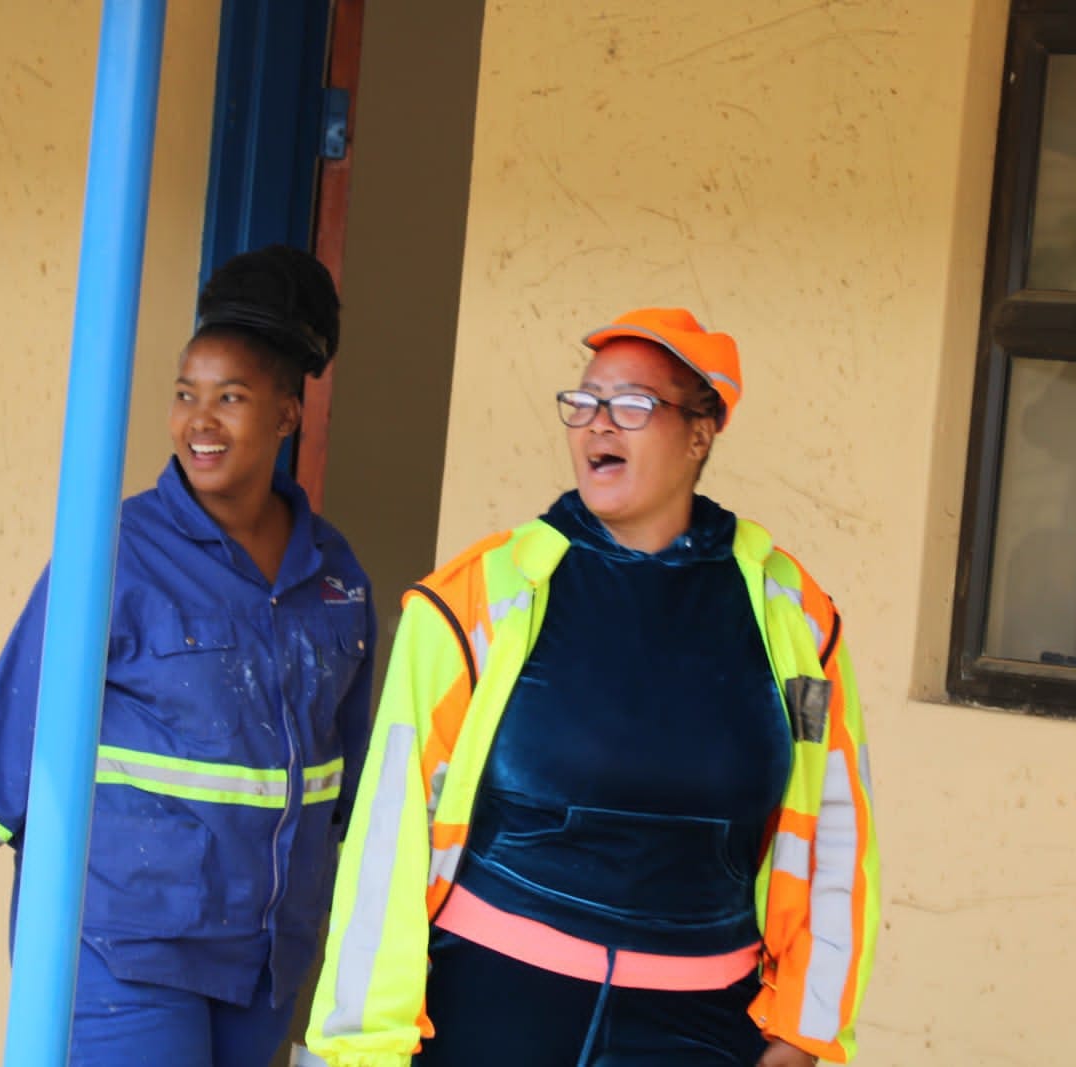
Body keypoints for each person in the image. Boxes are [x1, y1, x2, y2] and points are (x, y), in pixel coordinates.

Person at [302, 307, 879, 1067]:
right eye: (583, 402)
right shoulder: (477, 599)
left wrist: (807, 1029)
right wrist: (362, 1047)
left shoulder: (795, 617)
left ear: (701, 432)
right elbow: (389, 833)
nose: (598, 423)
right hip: (492, 1008)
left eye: (632, 404)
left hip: (698, 1026)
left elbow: (837, 831)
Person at [0, 245, 377, 1066]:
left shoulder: (335, 577)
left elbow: (355, 765)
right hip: (123, 942)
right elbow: (19, 711)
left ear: (286, 415)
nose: (199, 422)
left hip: (267, 951)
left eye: (230, 398)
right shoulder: (118, 549)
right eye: (185, 395)